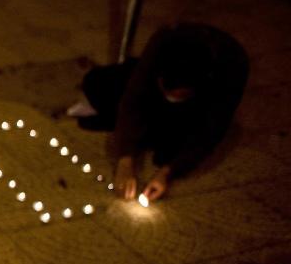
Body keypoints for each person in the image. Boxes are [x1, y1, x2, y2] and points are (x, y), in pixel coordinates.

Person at [71, 23, 248, 202]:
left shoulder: (232, 67)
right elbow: (133, 99)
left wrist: (167, 172)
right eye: (167, 91)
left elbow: (210, 130)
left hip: (191, 111)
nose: (171, 98)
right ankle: (138, 126)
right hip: (153, 94)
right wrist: (125, 161)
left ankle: (144, 129)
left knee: (170, 150)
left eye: (179, 95)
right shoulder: (163, 43)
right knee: (97, 84)